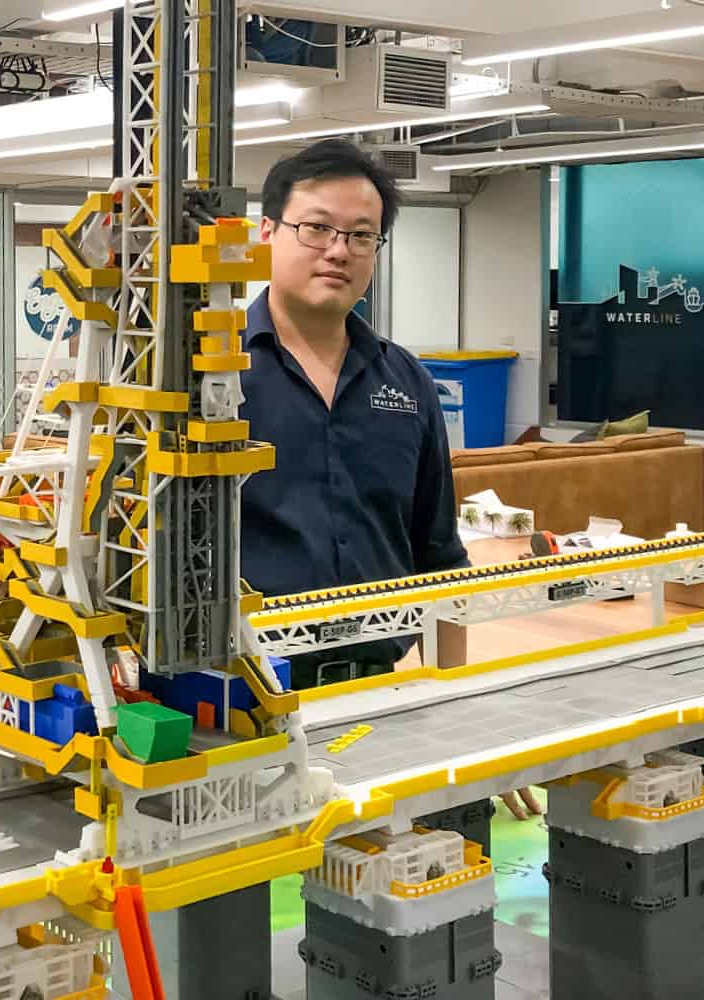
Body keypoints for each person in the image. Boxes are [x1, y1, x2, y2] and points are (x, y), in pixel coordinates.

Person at [239, 139, 540, 821]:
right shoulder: (204, 377)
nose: (338, 250)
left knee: (406, 896)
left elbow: (440, 556)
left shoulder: (405, 381)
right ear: (266, 233)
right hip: (237, 708)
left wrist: (455, 703)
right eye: (316, 227)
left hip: (381, 695)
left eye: (361, 235)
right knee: (228, 912)